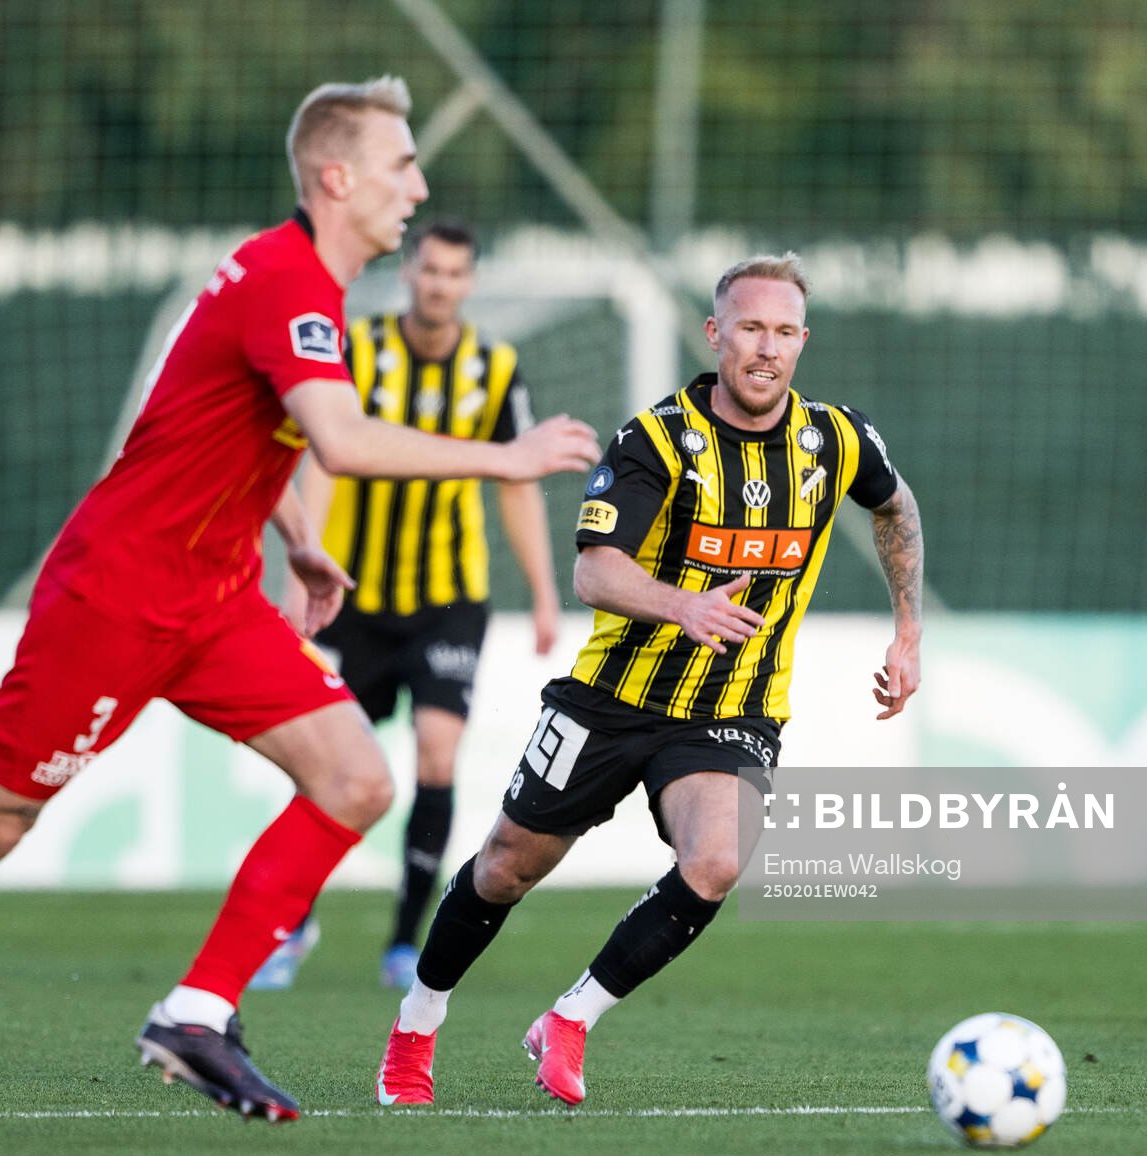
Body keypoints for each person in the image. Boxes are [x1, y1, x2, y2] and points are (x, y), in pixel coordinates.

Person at [0, 76, 600, 1140]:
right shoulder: (287, 282)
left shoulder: (311, 293)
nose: (420, 184)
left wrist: (299, 540)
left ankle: (198, 1009)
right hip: (117, 598)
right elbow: (344, 441)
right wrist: (510, 457)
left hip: (213, 600)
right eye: (403, 164)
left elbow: (232, 429)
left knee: (354, 776)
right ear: (337, 177)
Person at [373, 253, 924, 1108]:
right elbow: (596, 571)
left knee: (717, 860)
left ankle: (571, 1018)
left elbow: (895, 507)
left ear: (803, 342)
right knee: (503, 870)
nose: (766, 349)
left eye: (784, 332)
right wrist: (684, 607)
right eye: (749, 328)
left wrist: (908, 632)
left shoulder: (835, 438)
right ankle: (417, 1022)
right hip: (611, 700)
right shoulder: (656, 439)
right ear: (715, 334)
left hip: (732, 710)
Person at [254, 217, 559, 993]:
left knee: (435, 754)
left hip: (448, 601)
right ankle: (293, 926)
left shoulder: (496, 368)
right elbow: (320, 454)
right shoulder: (359, 350)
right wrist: (302, 562)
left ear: (469, 283)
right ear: (410, 273)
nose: (439, 285)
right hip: (354, 597)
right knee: (329, 766)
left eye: (454, 274)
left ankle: (402, 942)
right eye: (428, 270)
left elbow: (517, 483)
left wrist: (547, 590)